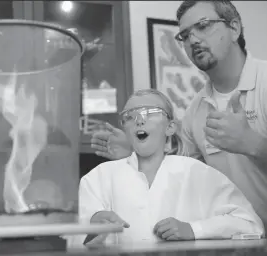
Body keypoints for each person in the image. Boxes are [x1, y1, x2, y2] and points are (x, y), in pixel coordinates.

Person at [90, 0, 267, 231]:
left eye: (203, 26)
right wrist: (137, 153)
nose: (193, 40)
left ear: (234, 28)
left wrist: (252, 144)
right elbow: (183, 174)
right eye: (185, 35)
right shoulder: (196, 110)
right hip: (243, 237)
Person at [79, 89, 264, 246]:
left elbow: (250, 224)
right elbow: (66, 238)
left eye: (150, 112)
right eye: (130, 116)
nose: (139, 120)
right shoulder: (98, 178)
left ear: (170, 127)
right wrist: (93, 226)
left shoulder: (197, 173)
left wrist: (193, 229)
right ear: (125, 129)